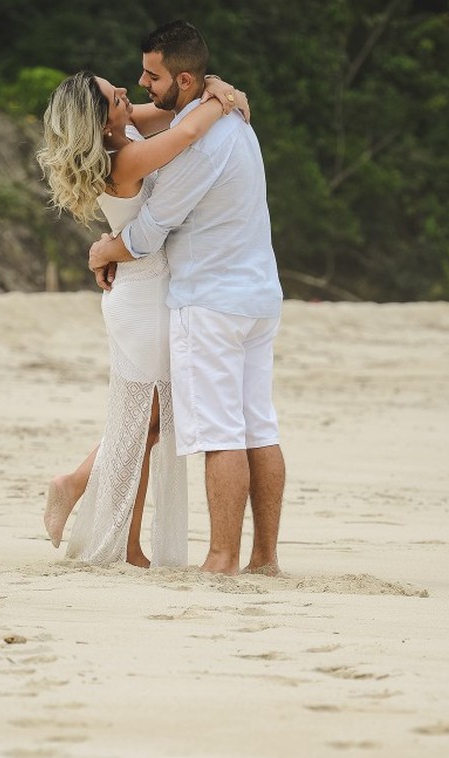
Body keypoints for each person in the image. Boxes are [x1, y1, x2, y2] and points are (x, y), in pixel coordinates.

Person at [89, 21, 285, 576]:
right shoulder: (233, 121)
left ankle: (222, 559)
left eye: (151, 75)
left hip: (210, 300)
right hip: (260, 295)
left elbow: (149, 233)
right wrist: (219, 90)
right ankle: (264, 559)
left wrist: (103, 252)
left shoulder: (198, 141)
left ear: (182, 77)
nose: (141, 84)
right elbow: (176, 120)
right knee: (259, 428)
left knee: (222, 434)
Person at [37, 70, 247, 567]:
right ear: (102, 118)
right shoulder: (125, 158)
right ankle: (83, 496)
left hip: (149, 290)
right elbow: (189, 130)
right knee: (145, 421)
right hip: (143, 297)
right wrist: (226, 99)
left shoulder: (126, 128)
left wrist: (211, 86)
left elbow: (177, 109)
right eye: (115, 96)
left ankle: (116, 531)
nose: (127, 93)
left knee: (146, 424)